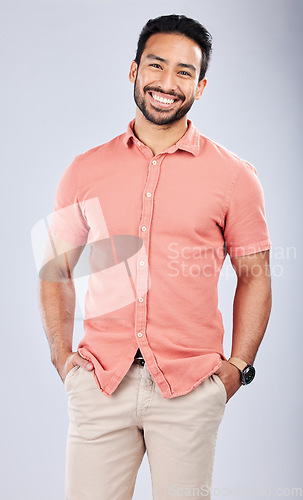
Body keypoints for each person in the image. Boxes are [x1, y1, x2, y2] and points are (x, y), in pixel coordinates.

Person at [38, 14, 272, 500]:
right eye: (157, 66)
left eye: (184, 72)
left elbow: (255, 274)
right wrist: (63, 359)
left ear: (201, 86)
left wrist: (237, 368)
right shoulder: (85, 170)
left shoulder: (235, 177)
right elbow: (55, 268)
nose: (167, 83)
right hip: (101, 384)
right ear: (134, 71)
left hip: (190, 389)